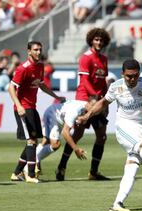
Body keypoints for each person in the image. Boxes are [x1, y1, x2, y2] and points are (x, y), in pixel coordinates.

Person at [78, 59, 142, 211]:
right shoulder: (116, 87)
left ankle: (117, 203)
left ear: (139, 74)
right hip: (124, 128)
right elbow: (103, 103)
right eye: (128, 76)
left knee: (132, 167)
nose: (132, 80)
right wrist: (88, 115)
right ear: (122, 74)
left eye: (135, 76)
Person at [56, 28, 111, 181]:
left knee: (102, 136)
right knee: (77, 135)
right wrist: (93, 98)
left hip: (98, 102)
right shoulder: (85, 58)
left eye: (101, 40)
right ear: (91, 40)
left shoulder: (104, 59)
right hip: (84, 101)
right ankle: (61, 167)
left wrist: (105, 101)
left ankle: (93, 172)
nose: (99, 42)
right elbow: (84, 81)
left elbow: (103, 82)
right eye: (96, 40)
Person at [8, 41, 65, 183]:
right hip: (22, 108)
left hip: (32, 108)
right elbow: (11, 87)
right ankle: (31, 175)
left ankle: (16, 173)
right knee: (31, 141)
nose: (38, 52)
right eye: (35, 50)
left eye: (40, 49)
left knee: (33, 141)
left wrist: (55, 96)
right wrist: (19, 106)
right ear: (28, 51)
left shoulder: (40, 66)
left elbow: (41, 85)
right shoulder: (23, 68)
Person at [23, 99, 96, 176]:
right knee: (55, 144)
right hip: (53, 114)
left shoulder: (85, 107)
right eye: (92, 106)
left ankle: (28, 166)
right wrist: (76, 149)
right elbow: (65, 133)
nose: (94, 109)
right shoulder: (74, 112)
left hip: (57, 116)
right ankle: (30, 165)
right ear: (88, 103)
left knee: (46, 141)